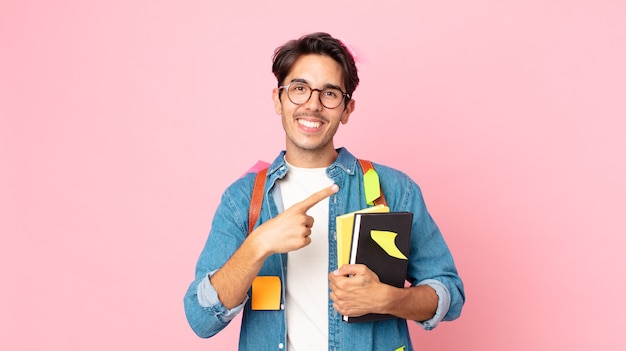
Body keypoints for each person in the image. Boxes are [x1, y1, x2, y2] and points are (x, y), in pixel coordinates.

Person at [184, 32, 465, 351]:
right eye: (299, 89)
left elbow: (449, 293)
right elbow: (201, 318)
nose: (313, 105)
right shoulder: (243, 199)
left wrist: (389, 298)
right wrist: (259, 243)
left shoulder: (394, 189)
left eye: (329, 93)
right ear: (278, 99)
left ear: (347, 108)